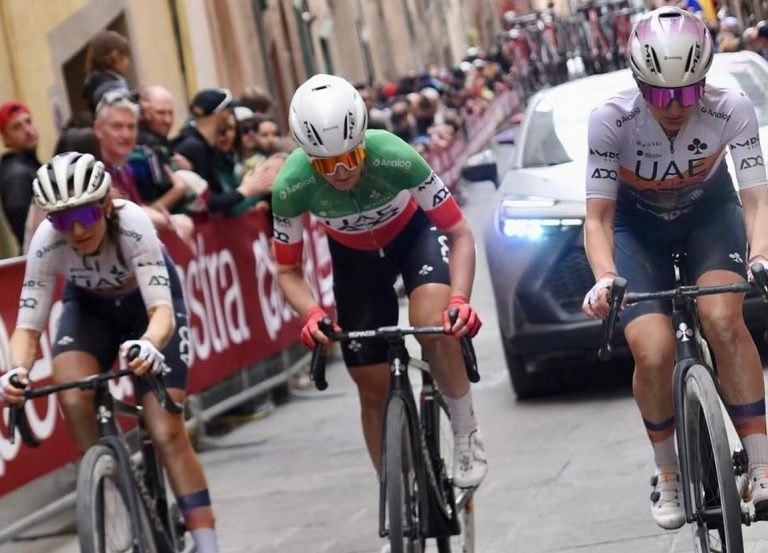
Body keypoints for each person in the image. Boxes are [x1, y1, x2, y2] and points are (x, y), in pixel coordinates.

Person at [581, 7, 768, 530]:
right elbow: (597, 217)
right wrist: (603, 275)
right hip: (635, 232)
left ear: (705, 80)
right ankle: (667, 471)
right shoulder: (609, 119)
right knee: (654, 349)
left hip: (710, 216)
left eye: (687, 92)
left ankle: (760, 463)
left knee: (724, 319)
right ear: (637, 82)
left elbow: (757, 201)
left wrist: (760, 256)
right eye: (659, 93)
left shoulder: (732, 106)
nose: (674, 106)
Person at [272, 74, 488, 492]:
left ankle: (466, 433)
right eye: (324, 163)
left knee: (433, 324)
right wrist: (312, 312)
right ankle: (395, 498)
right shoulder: (291, 184)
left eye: (350, 158)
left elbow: (459, 233)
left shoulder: (394, 154)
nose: (339, 172)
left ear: (362, 143)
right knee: (370, 386)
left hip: (415, 239)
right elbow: (287, 269)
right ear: (306, 155)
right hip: (355, 261)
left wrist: (460, 299)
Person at [0, 152, 220, 553]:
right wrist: (16, 372)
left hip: (148, 310)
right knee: (72, 394)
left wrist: (149, 345)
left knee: (166, 430)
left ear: (105, 203)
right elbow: (27, 329)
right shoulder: (46, 245)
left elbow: (161, 313)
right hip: (91, 309)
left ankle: (207, 545)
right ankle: (109, 485)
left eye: (85, 213)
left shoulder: (133, 224)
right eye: (63, 219)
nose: (78, 229)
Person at [173, 88, 268, 214]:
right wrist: (246, 190)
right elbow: (208, 200)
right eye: (228, 112)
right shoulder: (194, 147)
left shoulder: (205, 146)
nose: (230, 117)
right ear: (220, 113)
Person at [0, 100, 40, 248]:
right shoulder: (16, 176)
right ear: (5, 139)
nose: (28, 131)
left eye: (28, 122)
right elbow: (27, 235)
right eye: (17, 127)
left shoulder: (28, 166)